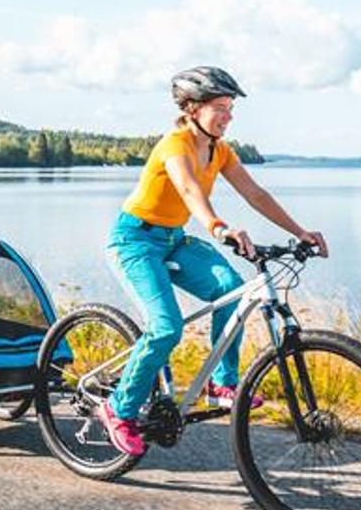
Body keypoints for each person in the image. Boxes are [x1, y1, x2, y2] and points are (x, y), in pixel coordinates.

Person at [96, 66, 329, 456]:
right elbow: (188, 190)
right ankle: (118, 409)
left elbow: (255, 194)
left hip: (174, 239)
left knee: (232, 290)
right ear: (191, 108)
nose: (228, 115)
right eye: (219, 107)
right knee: (166, 328)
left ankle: (221, 384)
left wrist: (300, 231)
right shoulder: (175, 145)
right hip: (134, 240)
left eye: (230, 107)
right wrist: (219, 228)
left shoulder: (220, 150)